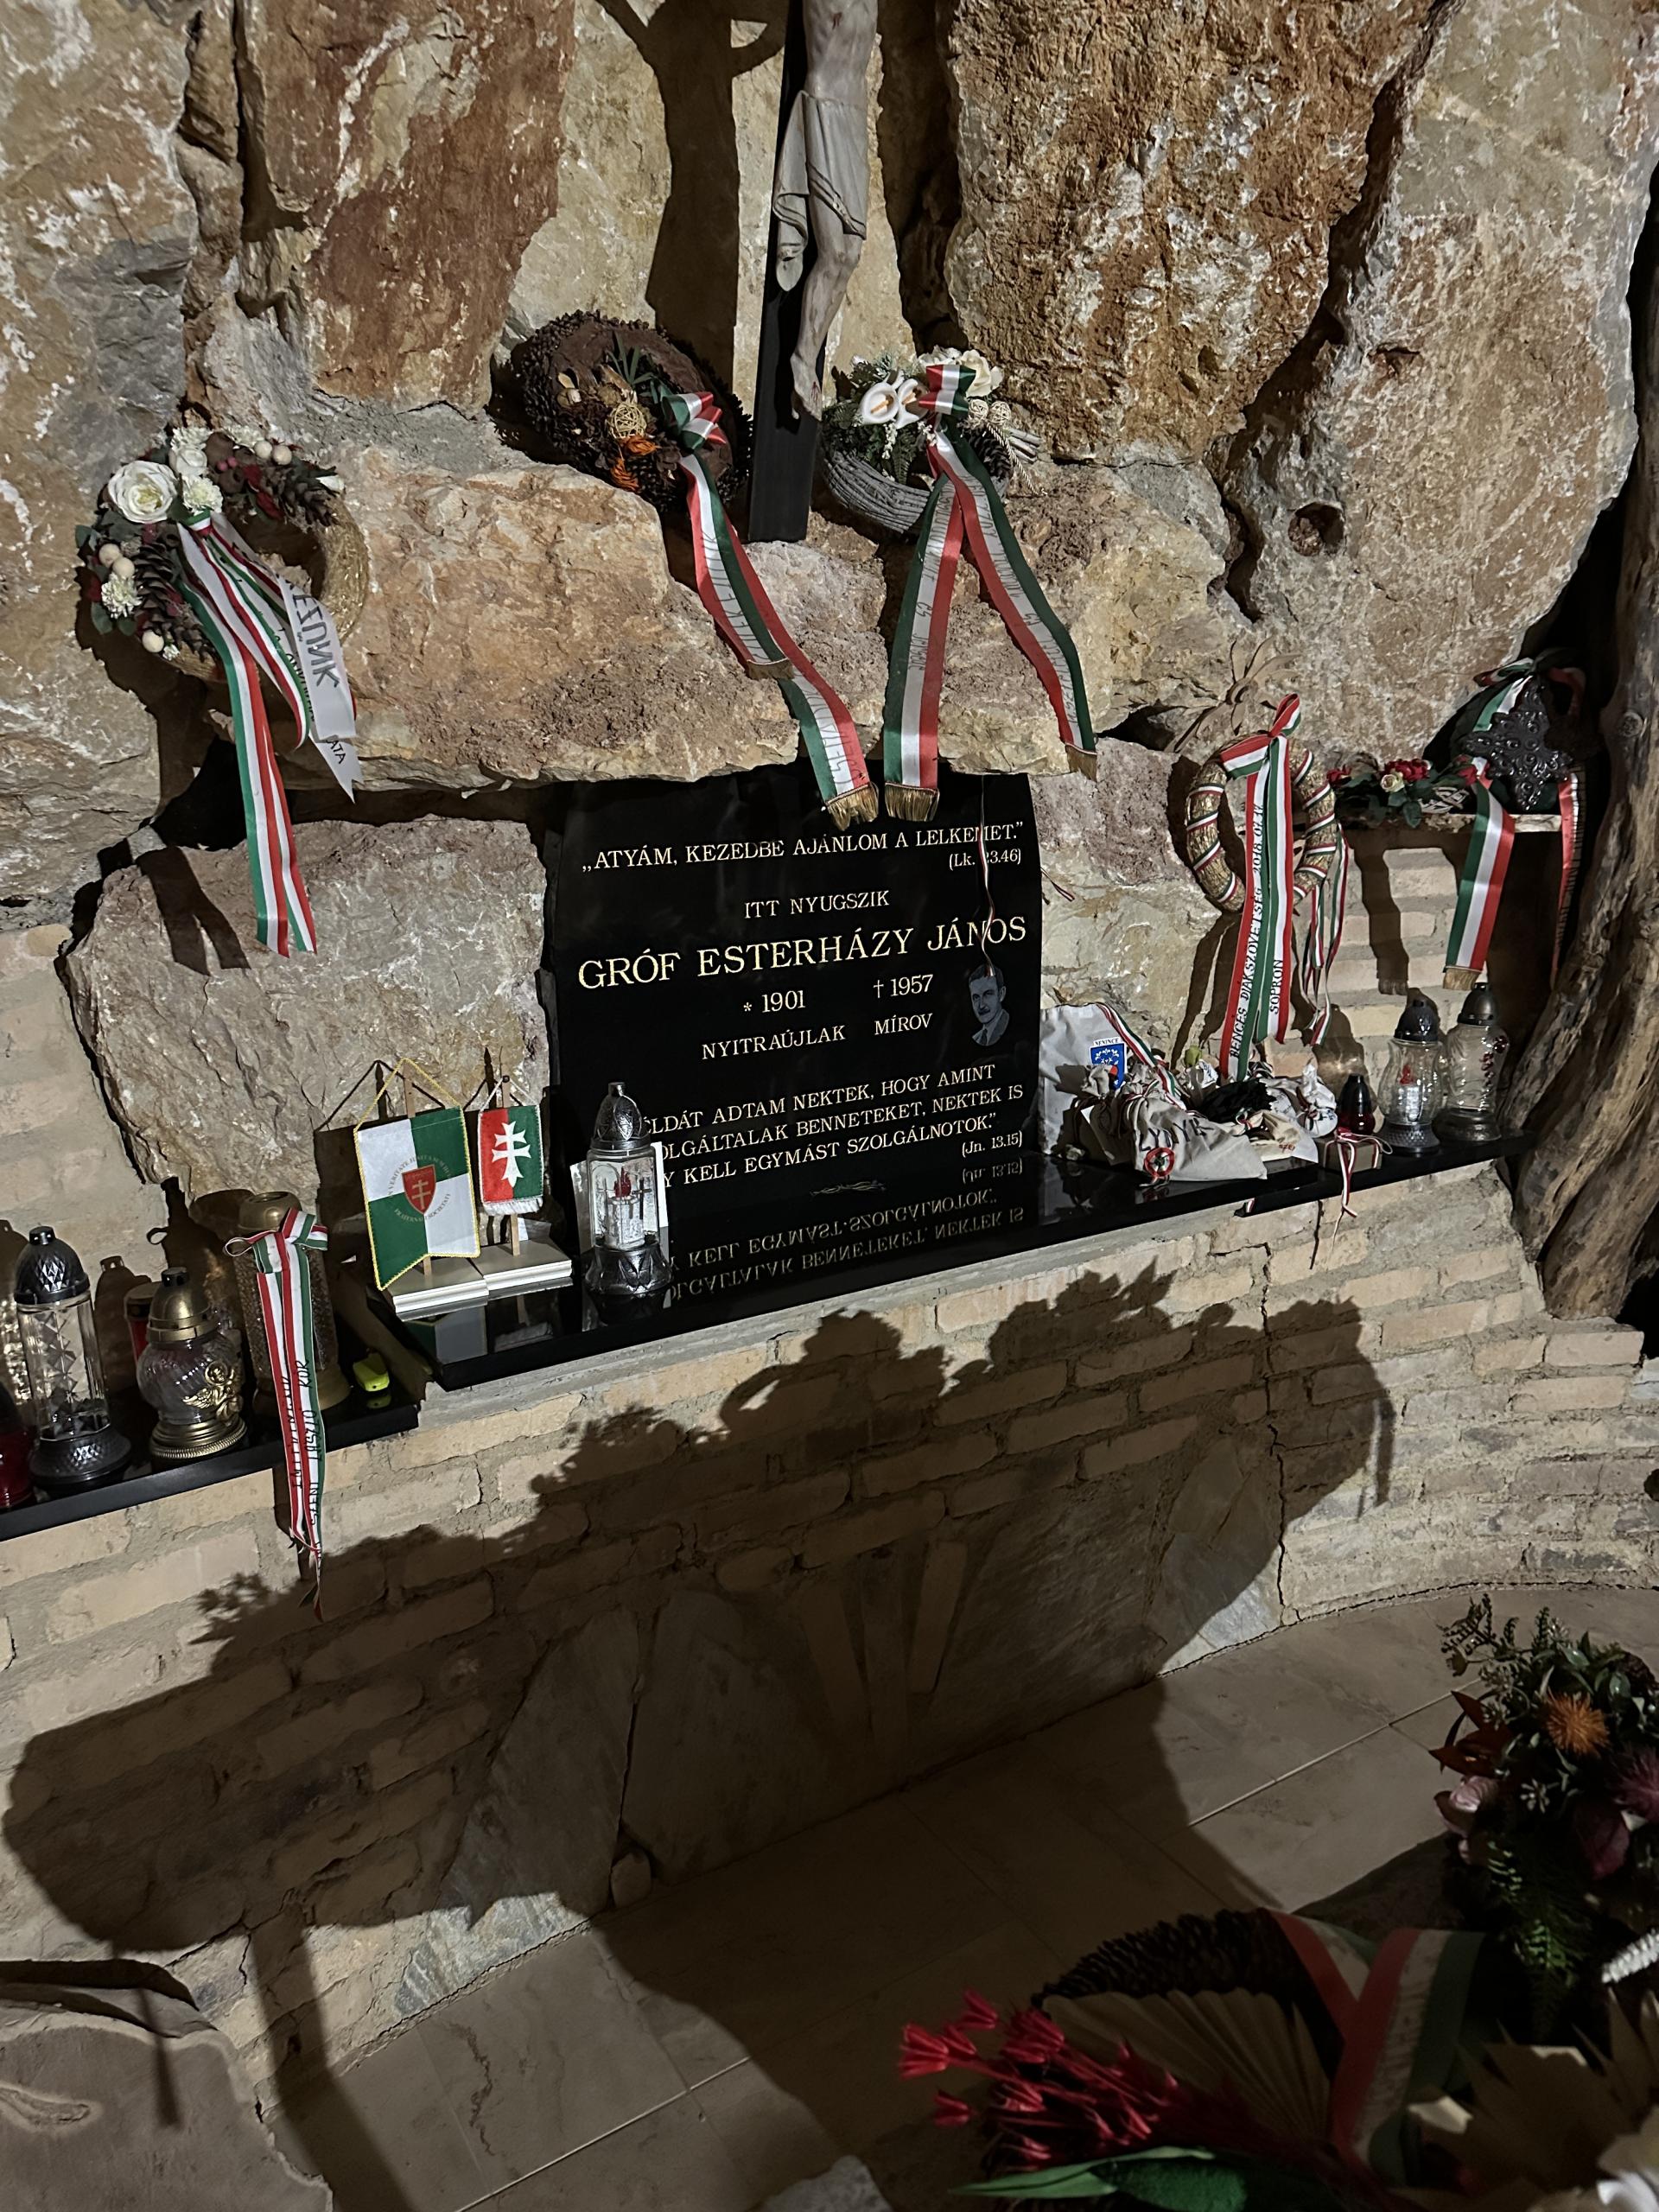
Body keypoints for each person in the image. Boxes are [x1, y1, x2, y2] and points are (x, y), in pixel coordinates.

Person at [770, 0, 877, 416]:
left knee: (850, 255)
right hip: (824, 105)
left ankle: (809, 353)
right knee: (832, 251)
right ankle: (802, 359)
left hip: (854, 116)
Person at [968, 961, 1010, 1049]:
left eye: (987, 994)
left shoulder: (1013, 1030)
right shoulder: (977, 1038)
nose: (981, 1005)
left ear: (1001, 994)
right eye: (976, 997)